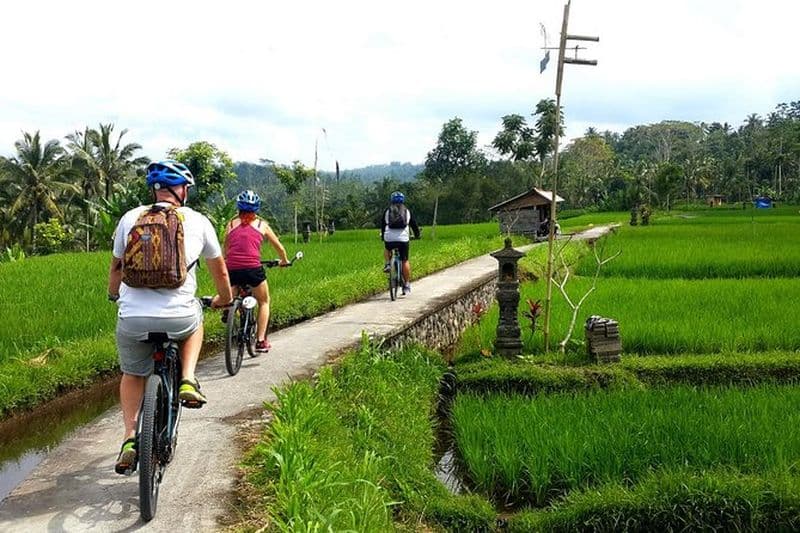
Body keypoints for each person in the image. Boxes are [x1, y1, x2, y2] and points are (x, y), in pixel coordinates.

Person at [108, 159, 233, 475]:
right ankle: (188, 379)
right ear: (182, 191)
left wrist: (114, 295)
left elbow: (116, 268)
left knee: (133, 373)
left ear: (156, 189)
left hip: (133, 318)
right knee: (196, 321)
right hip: (178, 316)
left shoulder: (130, 218)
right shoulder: (198, 221)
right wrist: (225, 298)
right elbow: (219, 269)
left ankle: (129, 439)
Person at [224, 189, 289, 353]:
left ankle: (229, 309)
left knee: (231, 292)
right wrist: (284, 260)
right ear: (256, 209)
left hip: (232, 268)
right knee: (264, 302)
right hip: (253, 269)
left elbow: (226, 248)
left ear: (239, 208)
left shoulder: (230, 224)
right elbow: (279, 247)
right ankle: (260, 341)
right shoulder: (262, 225)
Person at [381, 191, 420, 293]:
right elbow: (414, 224)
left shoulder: (387, 210)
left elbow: (383, 225)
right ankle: (406, 284)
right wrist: (417, 235)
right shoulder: (406, 211)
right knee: (405, 260)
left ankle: (388, 264)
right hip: (403, 239)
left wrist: (383, 237)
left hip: (389, 238)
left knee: (387, 248)